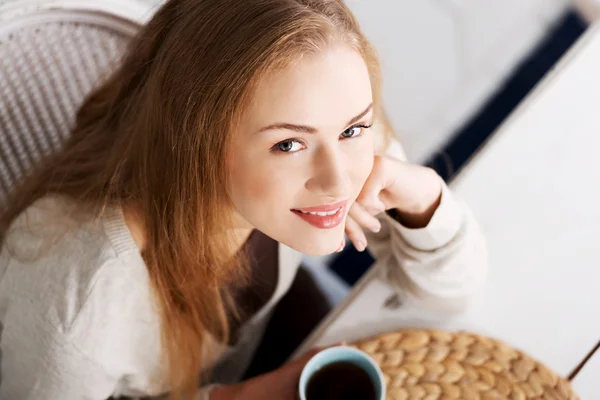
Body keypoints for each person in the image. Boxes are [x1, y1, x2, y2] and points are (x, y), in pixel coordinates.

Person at [0, 0, 487, 399]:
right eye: (288, 145)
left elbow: (448, 295)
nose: (339, 181)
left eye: (354, 128)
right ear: (197, 142)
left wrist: (422, 198)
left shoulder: (333, 120)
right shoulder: (83, 290)